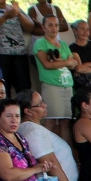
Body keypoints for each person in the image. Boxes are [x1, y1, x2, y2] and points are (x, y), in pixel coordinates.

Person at [31, 15, 75, 144]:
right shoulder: (40, 43)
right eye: (50, 25)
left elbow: (73, 64)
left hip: (67, 86)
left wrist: (62, 62)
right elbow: (47, 64)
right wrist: (66, 61)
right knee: (50, 119)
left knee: (65, 121)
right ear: (43, 27)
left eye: (56, 25)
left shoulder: (63, 44)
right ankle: (45, 150)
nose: (54, 28)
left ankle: (64, 152)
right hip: (52, 85)